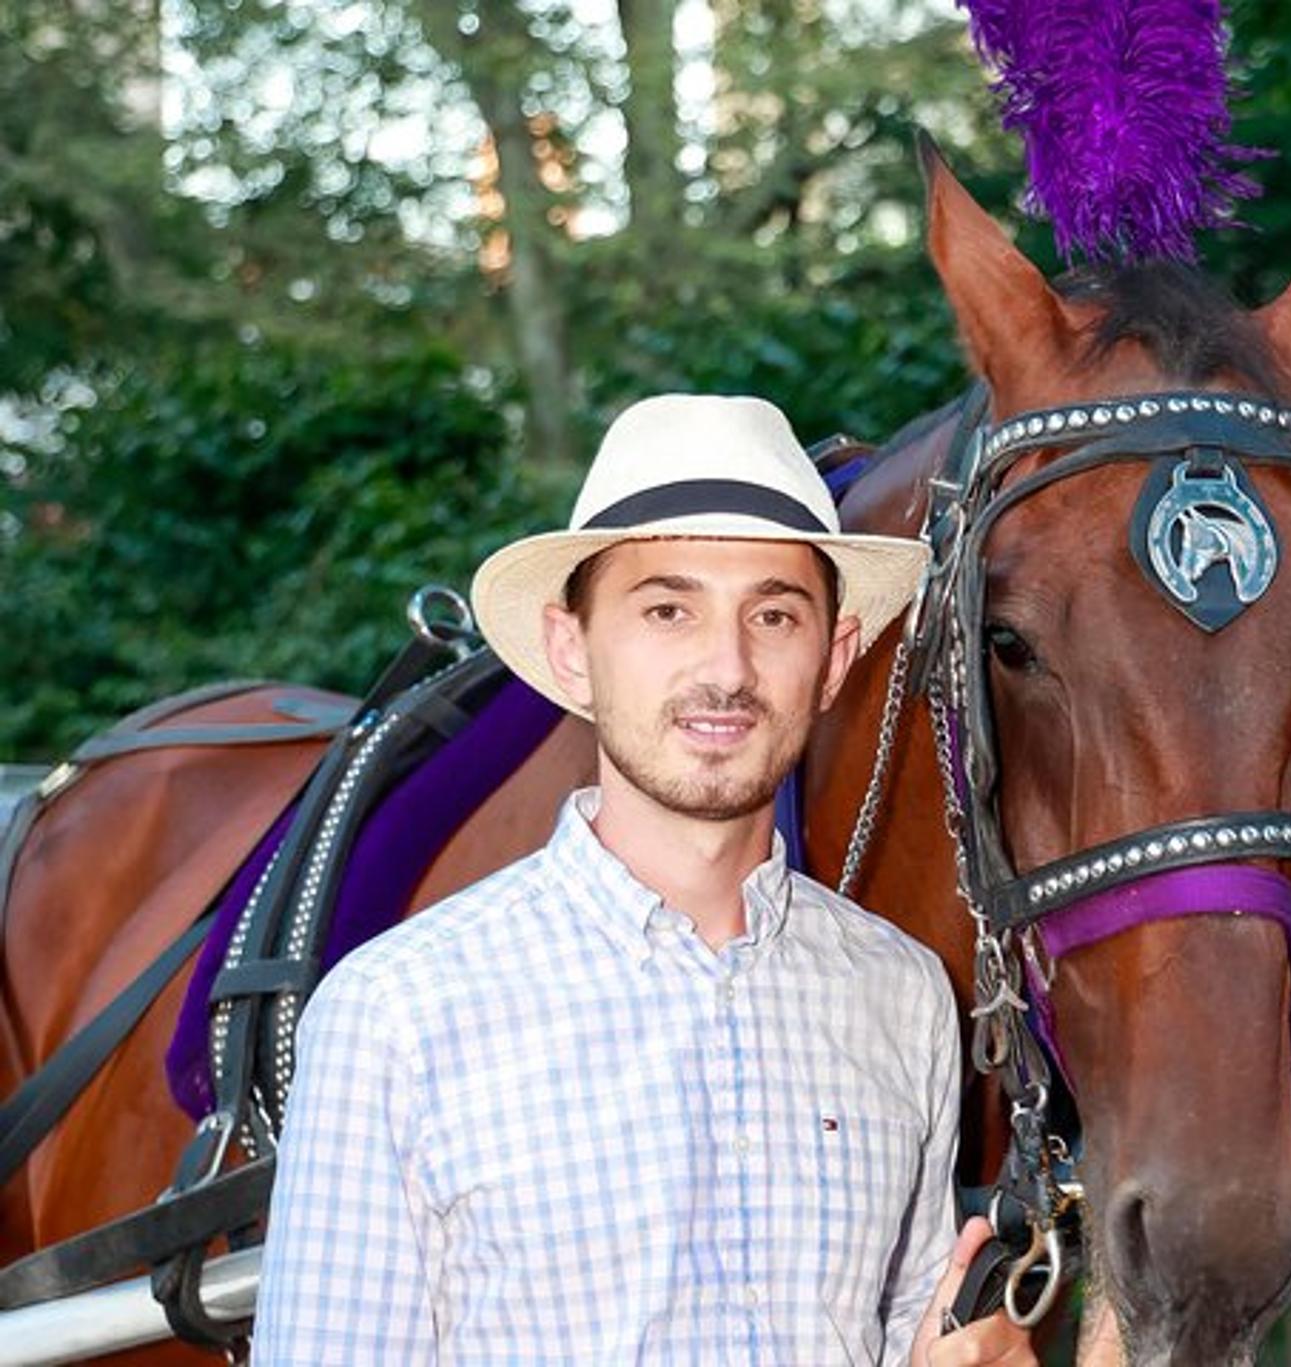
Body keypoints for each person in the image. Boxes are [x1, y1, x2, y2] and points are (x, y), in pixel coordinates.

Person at [253, 394, 1034, 1366]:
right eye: (667, 608)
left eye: (774, 612)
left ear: (832, 660)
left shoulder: (904, 991)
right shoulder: (394, 1014)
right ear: (572, 651)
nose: (726, 664)